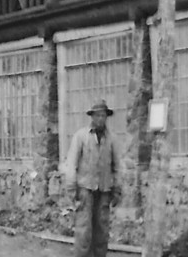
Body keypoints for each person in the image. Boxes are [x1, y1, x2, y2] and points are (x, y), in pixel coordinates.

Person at [64, 98, 122, 257]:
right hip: (85, 190)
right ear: (92, 117)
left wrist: (117, 189)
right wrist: (71, 188)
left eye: (103, 115)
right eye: (97, 115)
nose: (100, 119)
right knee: (84, 229)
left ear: (106, 117)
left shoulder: (112, 139)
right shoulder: (81, 136)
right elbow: (72, 164)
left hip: (104, 190)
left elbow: (117, 166)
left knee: (102, 229)